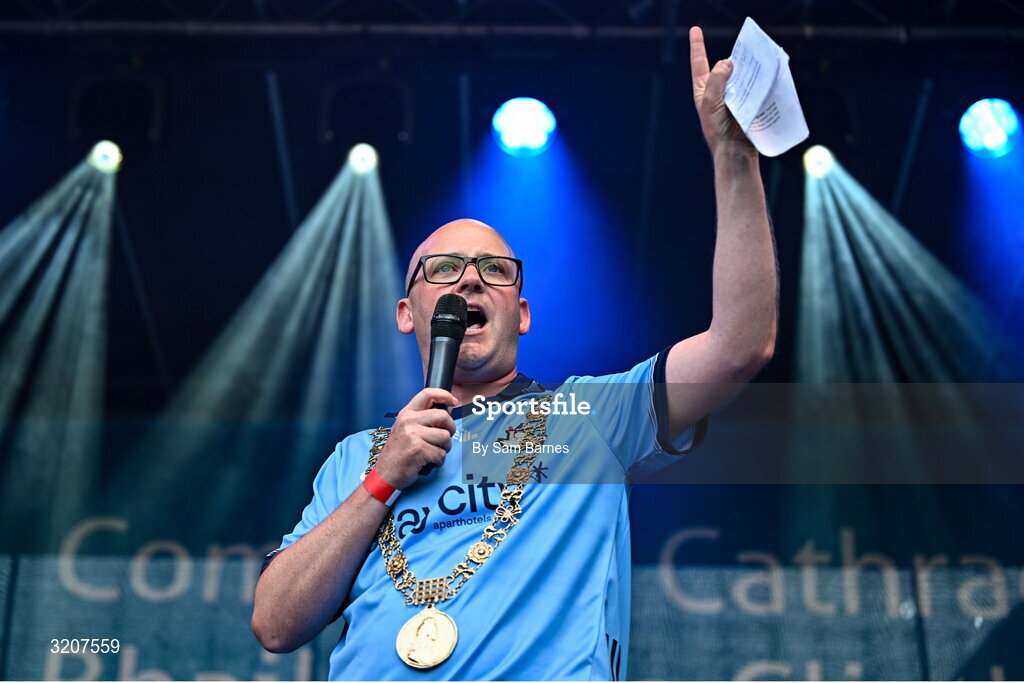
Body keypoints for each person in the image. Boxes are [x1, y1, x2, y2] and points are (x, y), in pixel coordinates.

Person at [252, 26, 777, 680]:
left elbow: (739, 344)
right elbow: (276, 622)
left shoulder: (591, 415)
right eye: (443, 268)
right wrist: (383, 479)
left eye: (494, 271)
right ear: (406, 312)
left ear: (521, 314)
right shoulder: (355, 458)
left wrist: (733, 158)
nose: (470, 279)